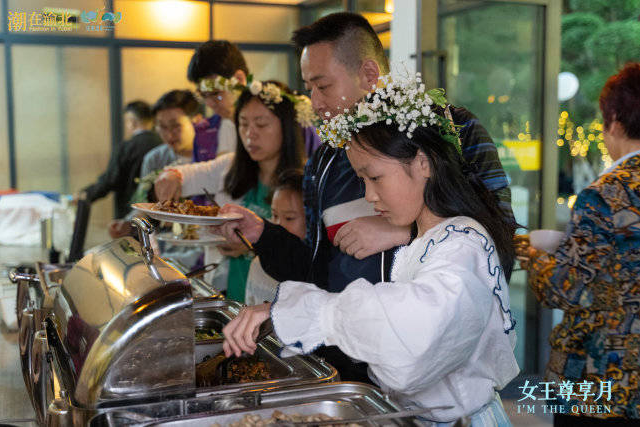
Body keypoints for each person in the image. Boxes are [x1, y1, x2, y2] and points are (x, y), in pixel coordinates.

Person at [210, 12, 515, 382]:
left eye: (322, 86)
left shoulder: (451, 131)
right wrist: (262, 235)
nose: (315, 102)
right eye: (308, 87)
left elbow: (499, 243)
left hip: (431, 377)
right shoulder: (324, 159)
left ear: (370, 74)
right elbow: (317, 268)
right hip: (344, 366)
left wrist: (409, 230)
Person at [515, 63, 640, 425]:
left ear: (614, 119)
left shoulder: (603, 195)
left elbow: (566, 290)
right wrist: (567, 242)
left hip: (598, 379)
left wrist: (532, 253)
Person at [154, 81, 308, 302]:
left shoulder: (304, 180)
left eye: (261, 124)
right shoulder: (230, 167)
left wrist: (250, 248)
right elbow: (186, 173)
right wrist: (171, 176)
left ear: (286, 126)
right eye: (243, 124)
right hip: (234, 293)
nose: (250, 134)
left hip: (279, 301)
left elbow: (305, 253)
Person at [108, 90, 200, 239]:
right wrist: (128, 223)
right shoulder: (154, 159)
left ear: (196, 120)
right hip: (166, 242)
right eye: (162, 127)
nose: (169, 135)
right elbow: (144, 203)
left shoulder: (211, 157)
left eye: (175, 126)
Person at [77, 101, 161, 219]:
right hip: (160, 214)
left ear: (132, 122)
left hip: (130, 215)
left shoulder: (126, 148)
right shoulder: (163, 146)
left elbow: (111, 179)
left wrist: (86, 194)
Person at [245, 169, 305, 306]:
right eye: (275, 216)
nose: (278, 225)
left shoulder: (319, 273)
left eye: (289, 218)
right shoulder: (258, 264)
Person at [187, 40, 246, 162]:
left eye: (215, 93)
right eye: (203, 95)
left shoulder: (269, 124)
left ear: (239, 80)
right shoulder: (204, 130)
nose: (209, 103)